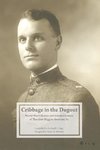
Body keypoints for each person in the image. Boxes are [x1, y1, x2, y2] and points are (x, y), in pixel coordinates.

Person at [12, 9, 100, 150]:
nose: (27, 46)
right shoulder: (22, 99)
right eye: (22, 39)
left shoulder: (75, 99)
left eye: (37, 38)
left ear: (58, 42)